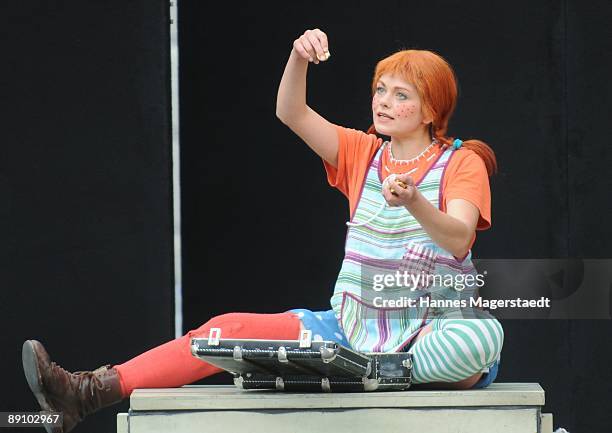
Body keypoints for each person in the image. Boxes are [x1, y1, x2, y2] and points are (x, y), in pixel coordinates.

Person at [22, 28, 504, 433]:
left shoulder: (462, 162)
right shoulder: (363, 154)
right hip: (350, 330)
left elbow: (459, 238)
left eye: (401, 95)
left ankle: (373, 373)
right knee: (226, 330)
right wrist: (298, 58)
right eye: (380, 89)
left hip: (428, 330)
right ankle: (85, 394)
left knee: (476, 342)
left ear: (429, 111)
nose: (383, 101)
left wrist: (416, 201)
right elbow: (291, 112)